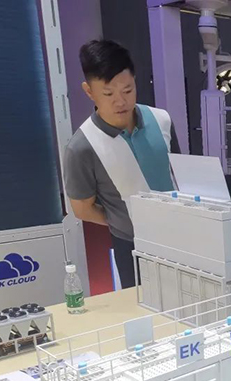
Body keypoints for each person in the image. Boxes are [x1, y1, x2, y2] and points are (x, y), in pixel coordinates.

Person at [64, 39, 179, 289]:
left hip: (181, 236)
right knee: (144, 307)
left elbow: (179, 175)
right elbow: (82, 209)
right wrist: (122, 220)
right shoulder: (82, 146)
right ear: (89, 91)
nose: (120, 102)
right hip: (131, 246)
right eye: (108, 94)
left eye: (127, 90)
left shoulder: (161, 120)